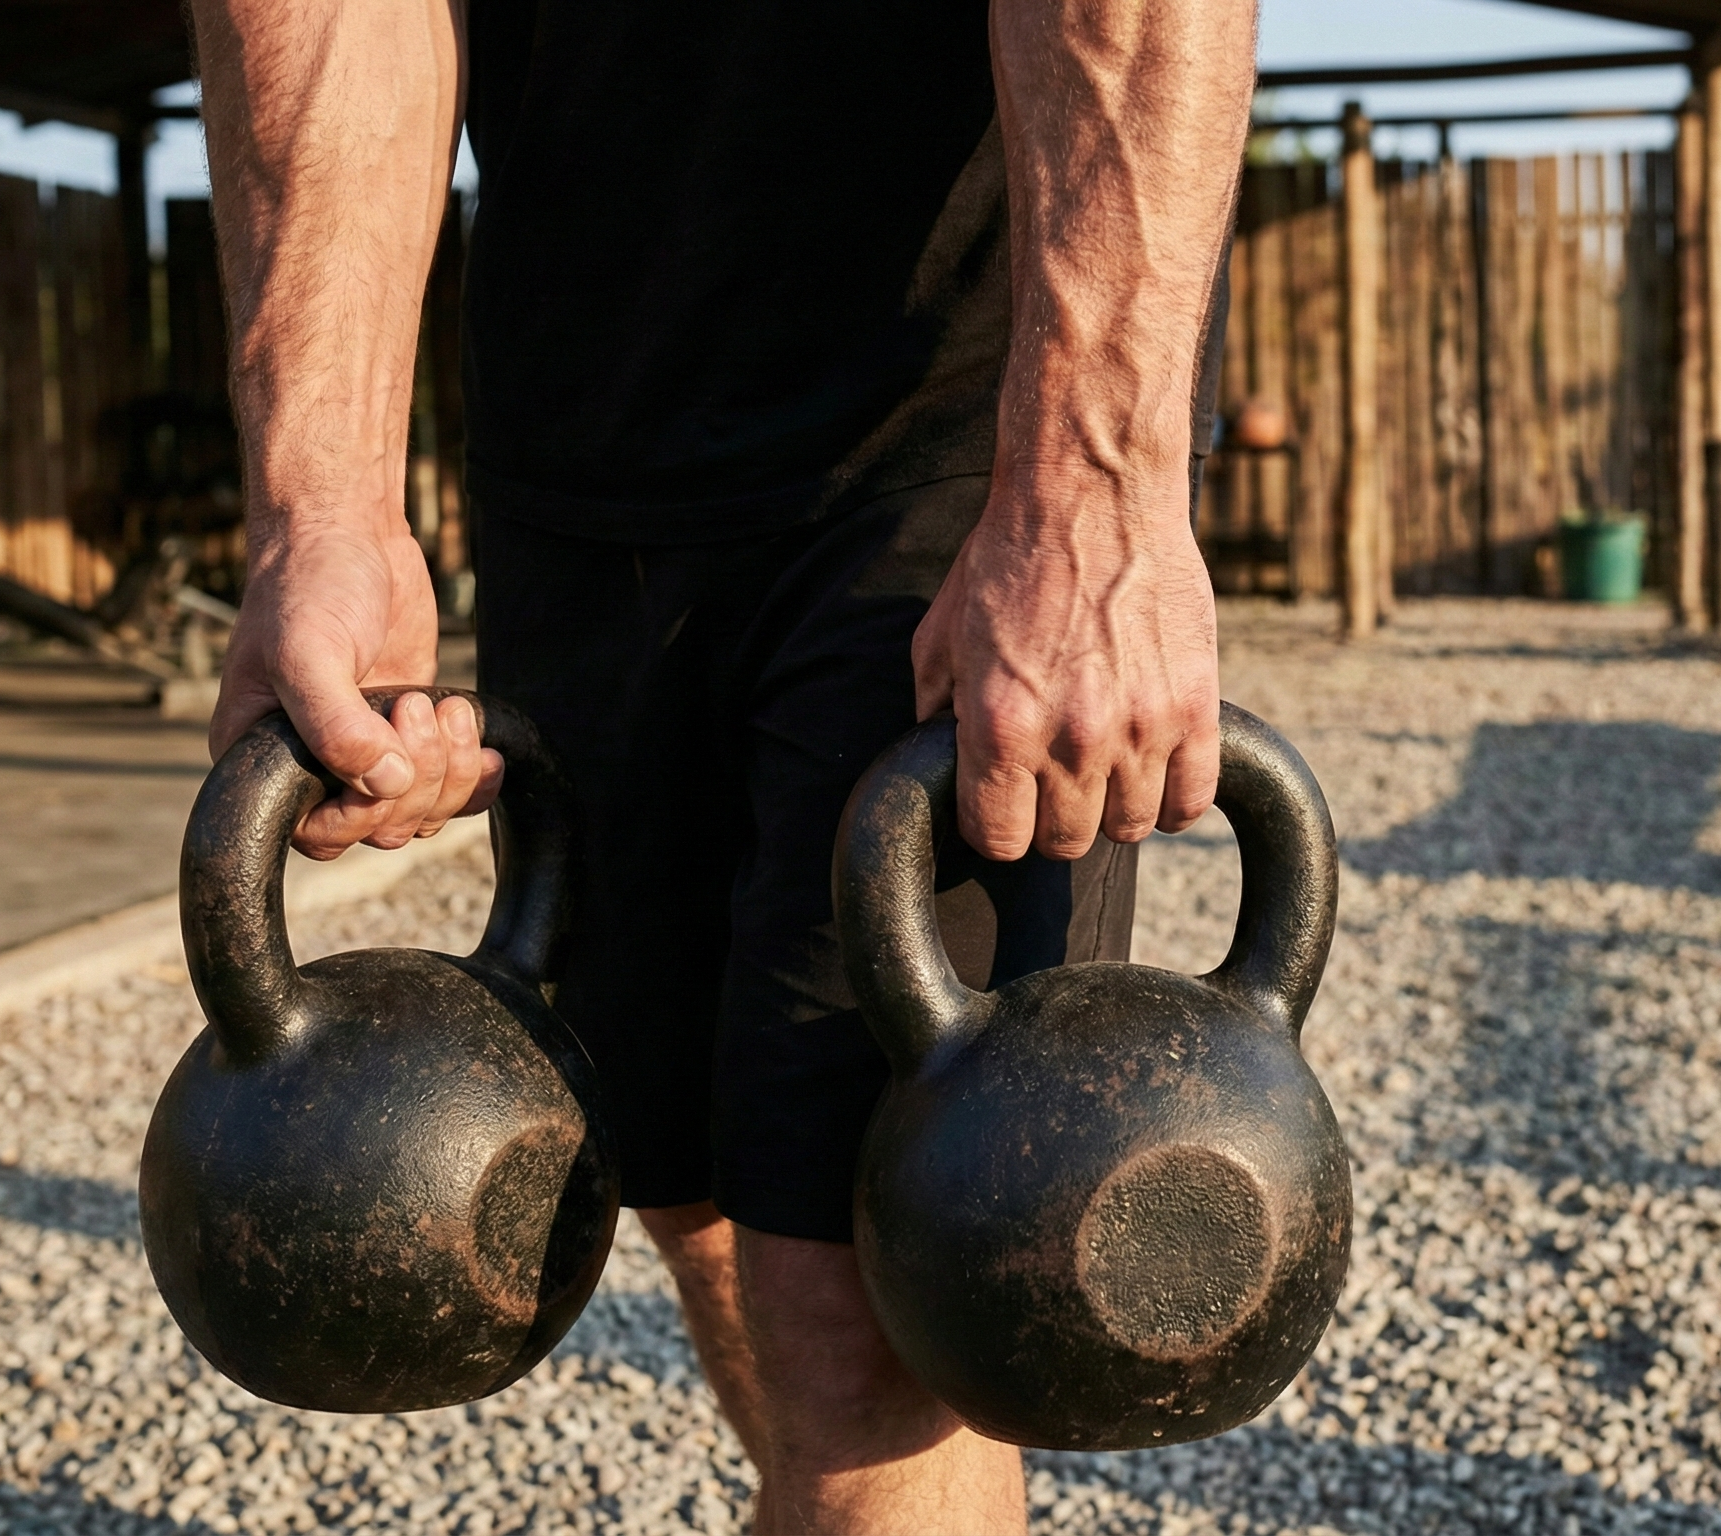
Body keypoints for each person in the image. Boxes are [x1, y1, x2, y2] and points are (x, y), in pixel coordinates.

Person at [187, 0, 1254, 1529]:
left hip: (960, 415)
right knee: (683, 1175)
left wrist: (1096, 478)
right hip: (582, 435)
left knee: (873, 1299)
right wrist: (325, 503)